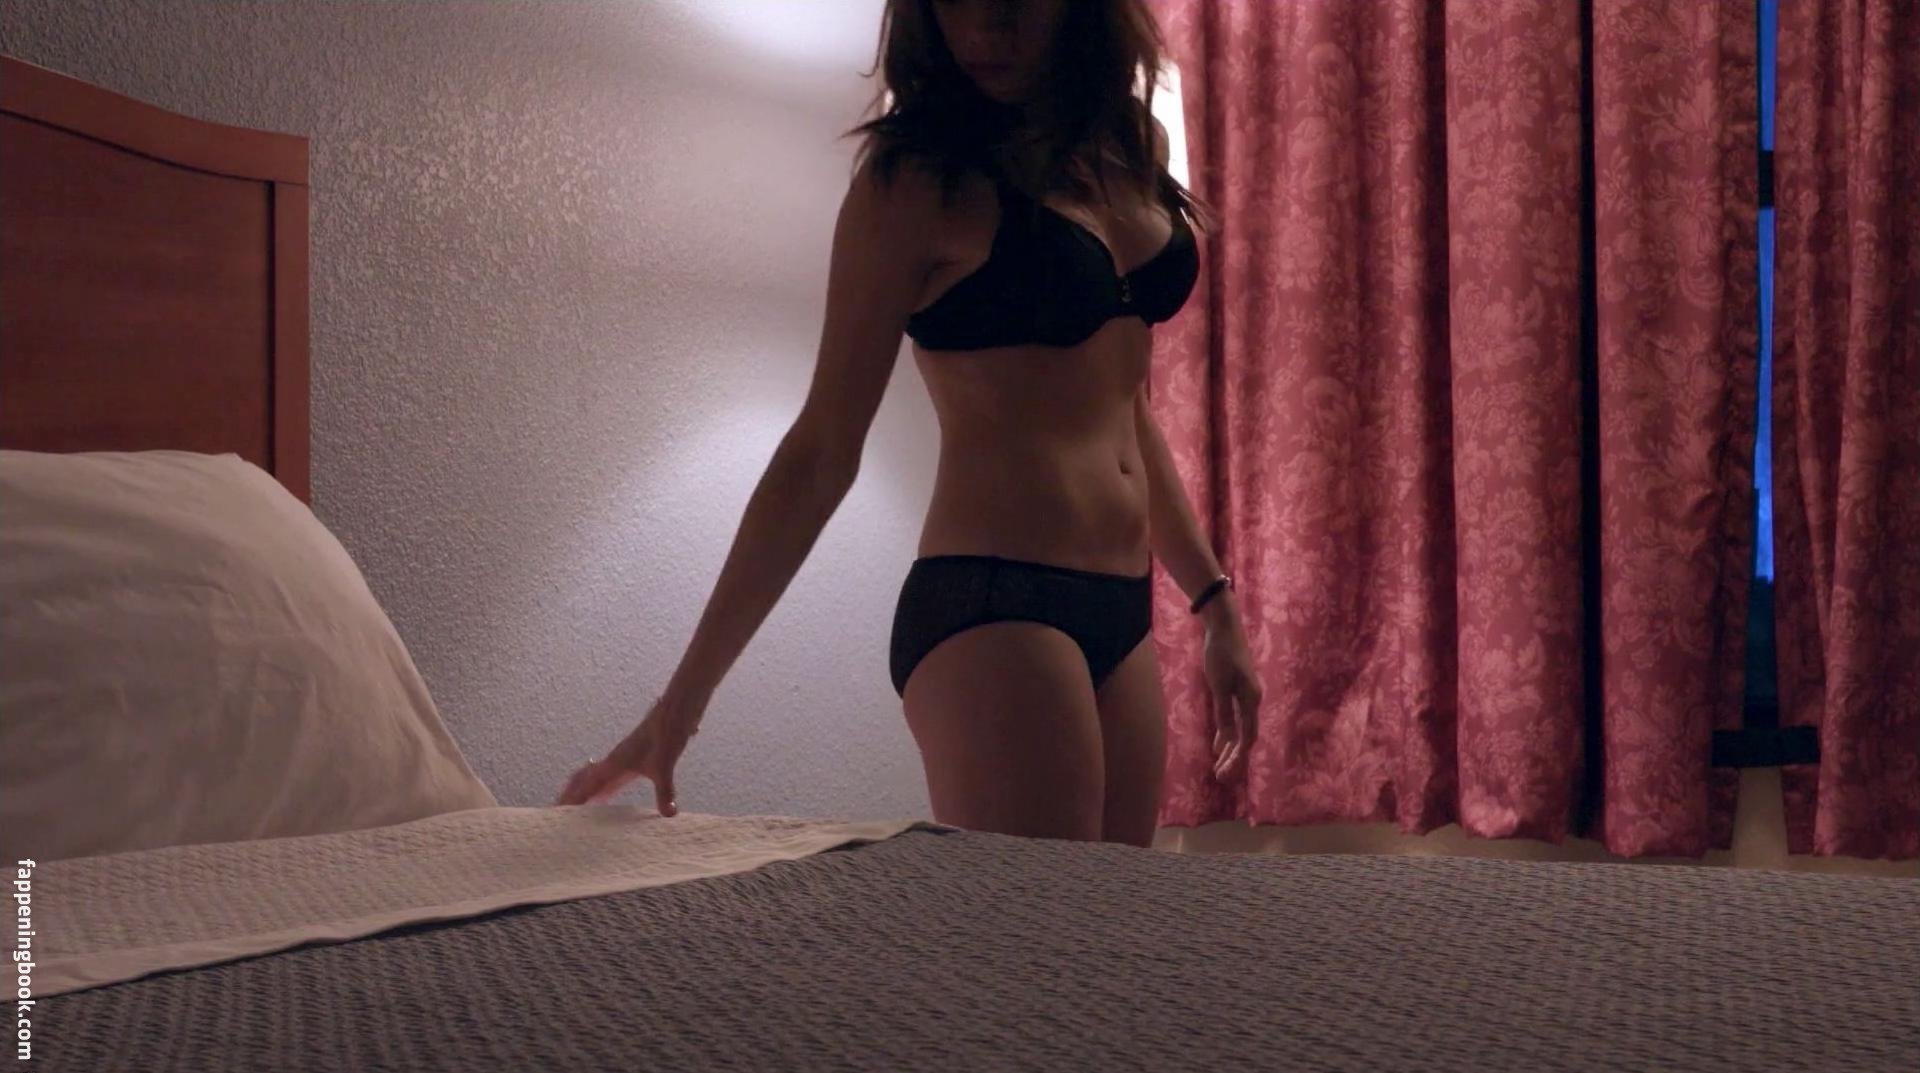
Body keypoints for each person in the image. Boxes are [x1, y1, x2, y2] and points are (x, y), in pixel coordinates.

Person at [556, 0, 1262, 847]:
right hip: (994, 599)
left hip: (1122, 606)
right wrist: (682, 703)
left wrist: (1213, 600)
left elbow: (1123, 408)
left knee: (1113, 920)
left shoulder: (1127, 148)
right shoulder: (913, 185)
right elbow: (822, 450)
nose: (989, 26)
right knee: (1047, 921)